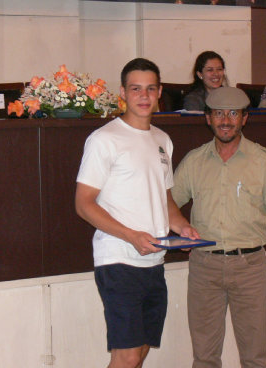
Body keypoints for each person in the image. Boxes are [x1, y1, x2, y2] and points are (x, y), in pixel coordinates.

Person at [75, 58, 198, 368]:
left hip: (154, 261)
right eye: (136, 89)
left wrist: (183, 227)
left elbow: (164, 198)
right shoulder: (104, 140)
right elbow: (84, 203)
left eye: (150, 89)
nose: (144, 96)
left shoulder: (162, 140)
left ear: (159, 93)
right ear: (123, 93)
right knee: (127, 357)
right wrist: (130, 236)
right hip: (119, 260)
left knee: (140, 351)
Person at [172, 87, 266, 368]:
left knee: (255, 357)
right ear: (208, 119)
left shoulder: (263, 161)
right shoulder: (194, 161)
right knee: (204, 357)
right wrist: (182, 229)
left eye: (233, 113)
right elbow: (168, 203)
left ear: (244, 119)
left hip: (249, 268)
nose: (225, 120)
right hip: (204, 268)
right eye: (218, 113)